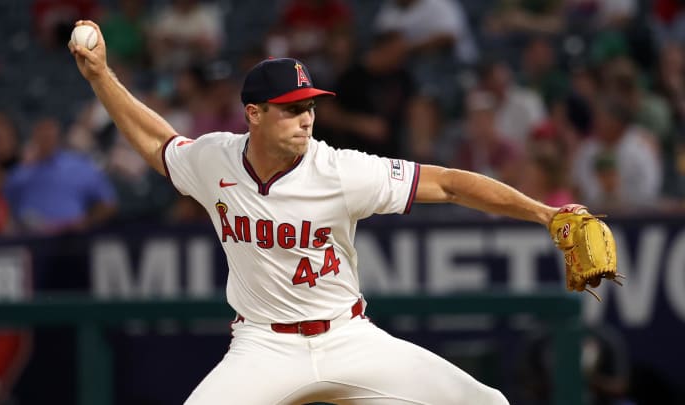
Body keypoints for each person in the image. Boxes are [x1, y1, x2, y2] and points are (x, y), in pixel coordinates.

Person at [69, 20, 571, 405]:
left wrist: (545, 215)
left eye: (309, 105)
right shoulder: (216, 158)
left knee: (488, 402)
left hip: (349, 337)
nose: (306, 117)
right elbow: (160, 144)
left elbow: (450, 184)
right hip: (263, 346)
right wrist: (100, 76)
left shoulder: (339, 170)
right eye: (290, 108)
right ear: (254, 114)